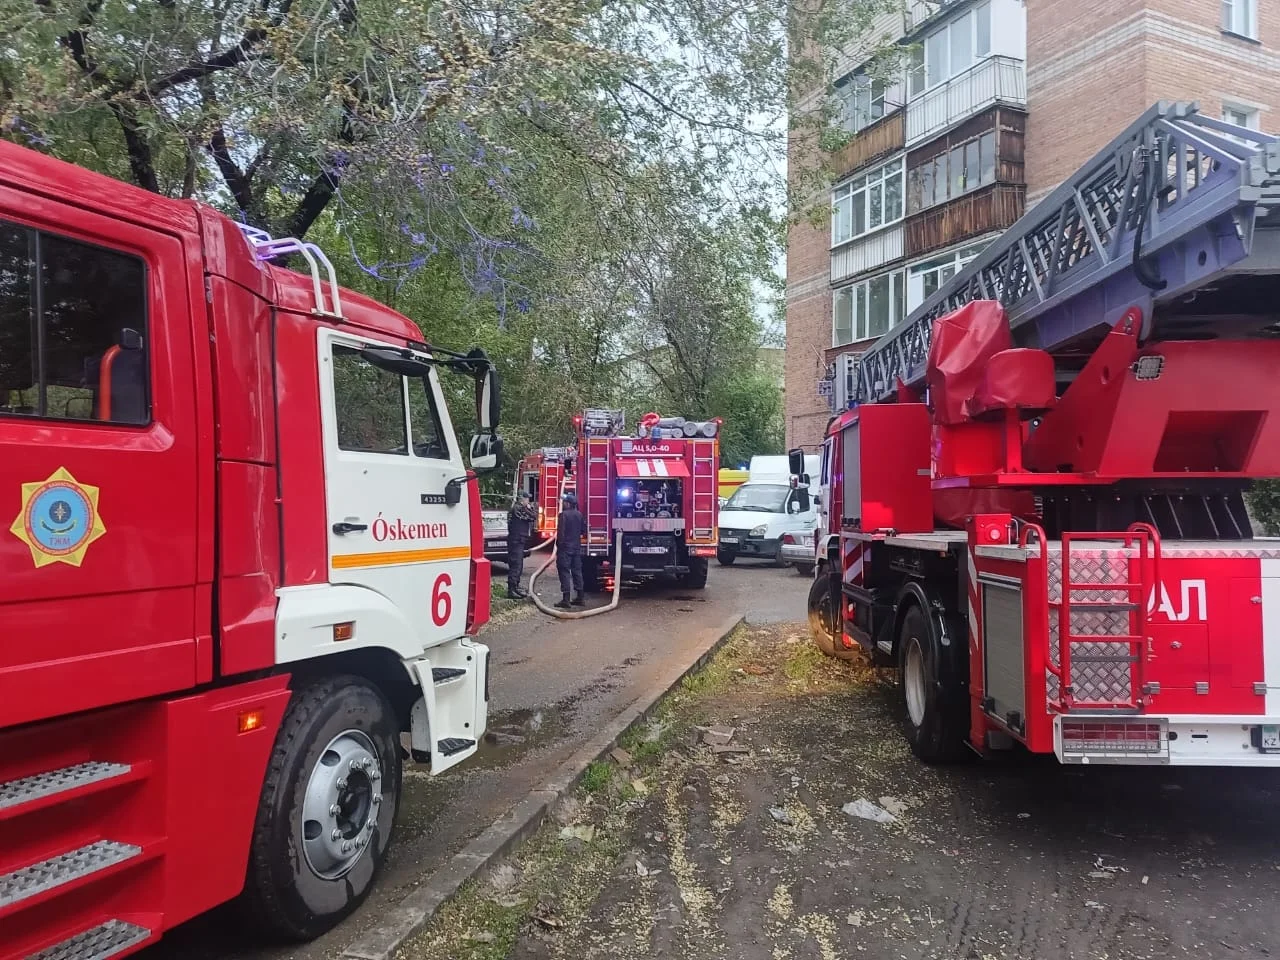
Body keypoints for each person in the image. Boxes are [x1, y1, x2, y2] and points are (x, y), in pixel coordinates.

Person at [555, 491, 585, 609]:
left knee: (564, 572)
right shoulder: (579, 515)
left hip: (565, 549)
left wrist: (559, 545)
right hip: (576, 548)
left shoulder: (563, 515)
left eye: (564, 502)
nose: (563, 503)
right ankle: (580, 597)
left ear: (568, 504)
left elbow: (561, 533)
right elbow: (583, 530)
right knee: (577, 572)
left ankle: (566, 599)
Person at [506, 492, 537, 599]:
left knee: (518, 565)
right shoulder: (518, 509)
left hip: (517, 540)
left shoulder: (517, 508)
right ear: (522, 499)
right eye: (527, 499)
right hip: (516, 540)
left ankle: (516, 587)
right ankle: (511, 589)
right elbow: (533, 516)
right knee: (516, 565)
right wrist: (529, 508)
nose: (528, 501)